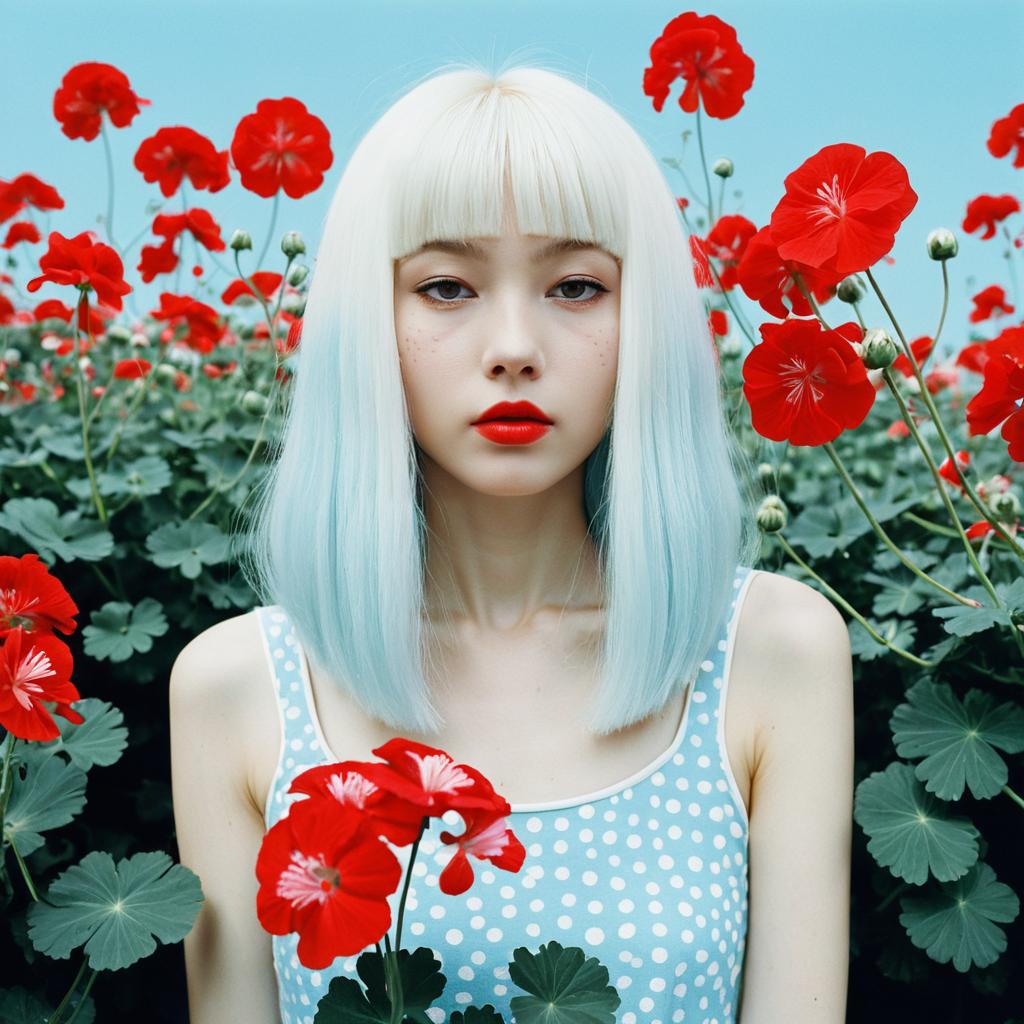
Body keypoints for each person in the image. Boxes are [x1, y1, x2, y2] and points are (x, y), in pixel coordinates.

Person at [169, 60, 854, 1024]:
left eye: (577, 285)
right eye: (446, 287)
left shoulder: (772, 652)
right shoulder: (235, 685)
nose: (514, 345)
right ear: (368, 321)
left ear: (645, 318)